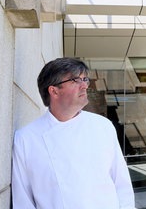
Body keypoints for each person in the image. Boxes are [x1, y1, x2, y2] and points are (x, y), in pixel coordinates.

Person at [12, 58, 136, 208]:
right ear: (54, 91)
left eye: (85, 79)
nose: (84, 86)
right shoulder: (26, 138)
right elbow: (23, 200)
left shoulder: (103, 126)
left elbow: (122, 184)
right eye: (75, 80)